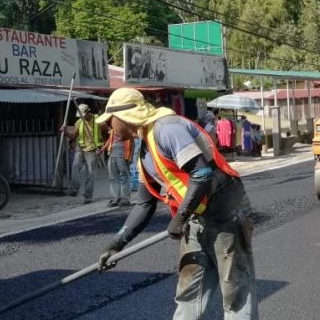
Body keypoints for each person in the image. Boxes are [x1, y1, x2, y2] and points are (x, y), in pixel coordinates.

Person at [94, 88, 257, 319]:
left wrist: (180, 217)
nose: (109, 127)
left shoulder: (167, 128)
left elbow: (201, 174)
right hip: (195, 216)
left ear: (125, 115)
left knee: (234, 289)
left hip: (225, 211)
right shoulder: (145, 148)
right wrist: (116, 243)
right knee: (190, 289)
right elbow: (144, 204)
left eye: (110, 121)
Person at [62, 103, 102, 204]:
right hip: (81, 148)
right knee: (75, 166)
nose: (82, 118)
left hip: (93, 149)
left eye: (83, 116)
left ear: (88, 112)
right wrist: (65, 132)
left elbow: (107, 132)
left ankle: (88, 196)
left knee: (90, 174)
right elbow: (74, 137)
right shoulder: (79, 122)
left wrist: (102, 147)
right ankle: (74, 189)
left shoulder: (98, 119)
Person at [101, 127, 134, 207]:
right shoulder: (113, 128)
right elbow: (110, 139)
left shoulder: (126, 127)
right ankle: (115, 199)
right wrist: (102, 149)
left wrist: (131, 156)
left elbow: (132, 142)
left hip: (122, 155)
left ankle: (125, 199)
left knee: (124, 177)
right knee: (112, 178)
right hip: (112, 155)